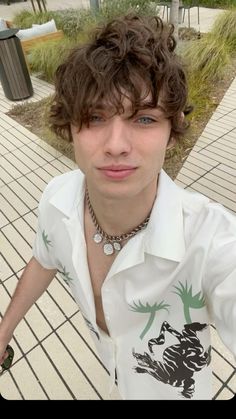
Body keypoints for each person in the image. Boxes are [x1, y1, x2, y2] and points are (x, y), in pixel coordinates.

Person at [0, 13, 236, 400]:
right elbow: (44, 258)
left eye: (144, 118)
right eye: (95, 117)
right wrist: (5, 329)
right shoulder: (57, 199)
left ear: (172, 133)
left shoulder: (213, 241)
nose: (115, 145)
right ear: (69, 127)